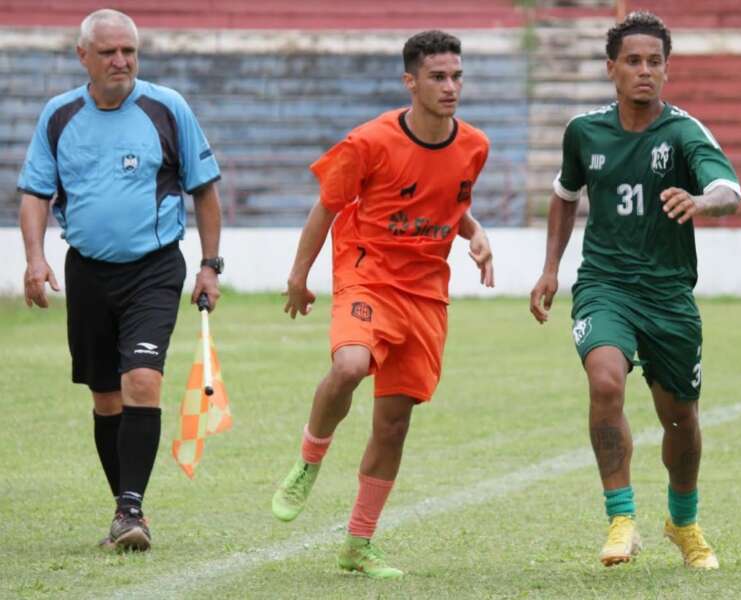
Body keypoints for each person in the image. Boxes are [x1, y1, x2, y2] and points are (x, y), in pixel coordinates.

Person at [270, 30, 494, 579]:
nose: (450, 87)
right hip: (366, 276)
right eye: (438, 77)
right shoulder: (368, 142)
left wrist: (476, 233)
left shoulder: (474, 146)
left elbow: (447, 201)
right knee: (350, 365)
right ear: (410, 82)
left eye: (456, 76)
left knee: (392, 425)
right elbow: (327, 207)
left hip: (425, 294)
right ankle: (309, 460)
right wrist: (299, 276)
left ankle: (358, 543)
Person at [529, 11, 741, 570]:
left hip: (668, 295)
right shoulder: (584, 132)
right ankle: (621, 518)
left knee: (681, 420)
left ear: (667, 69)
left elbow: (729, 189)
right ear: (612, 69)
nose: (644, 70)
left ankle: (683, 521)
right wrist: (551, 268)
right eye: (633, 61)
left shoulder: (684, 132)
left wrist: (700, 201)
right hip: (605, 286)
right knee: (605, 382)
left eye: (654, 61)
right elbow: (564, 194)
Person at [17, 9, 224, 552]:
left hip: (153, 269)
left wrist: (210, 264)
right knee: (106, 397)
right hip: (86, 272)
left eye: (129, 51)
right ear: (82, 56)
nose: (121, 61)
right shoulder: (60, 115)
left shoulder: (167, 107)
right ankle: (124, 509)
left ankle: (132, 509)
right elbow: (36, 193)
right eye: (108, 52)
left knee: (143, 381)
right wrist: (35, 258)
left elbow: (204, 189)